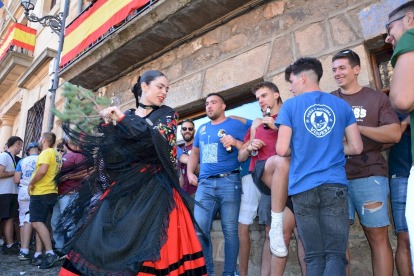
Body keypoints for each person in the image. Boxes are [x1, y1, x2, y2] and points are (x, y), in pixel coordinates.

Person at [58, 70, 206, 276]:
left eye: (167, 89)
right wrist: (108, 127)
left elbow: (156, 141)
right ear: (144, 86)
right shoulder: (126, 116)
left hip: (156, 190)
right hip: (125, 189)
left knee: (152, 246)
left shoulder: (167, 114)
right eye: (160, 87)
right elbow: (113, 156)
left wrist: (121, 120)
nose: (164, 92)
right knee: (105, 241)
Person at [276, 57, 363, 276]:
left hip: (302, 189)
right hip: (334, 185)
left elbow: (281, 149)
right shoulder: (341, 105)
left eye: (292, 81)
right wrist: (332, 146)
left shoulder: (290, 105)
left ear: (303, 78)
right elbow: (356, 147)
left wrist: (303, 146)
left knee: (313, 255)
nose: (290, 87)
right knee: (335, 254)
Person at [331, 49, 400, 275]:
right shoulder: (329, 101)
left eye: (342, 68)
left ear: (356, 69)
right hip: (335, 177)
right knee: (337, 240)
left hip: (370, 175)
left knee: (377, 236)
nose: (337, 73)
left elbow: (393, 134)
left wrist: (355, 128)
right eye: (334, 69)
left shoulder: (376, 97)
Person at [237, 81, 305, 276]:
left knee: (302, 237)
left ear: (276, 95)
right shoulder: (257, 123)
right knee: (271, 234)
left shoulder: (291, 116)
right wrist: (249, 147)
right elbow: (240, 156)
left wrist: (277, 128)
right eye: (258, 98)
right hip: (268, 180)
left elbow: (306, 144)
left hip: (297, 181)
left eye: (264, 95)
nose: (260, 101)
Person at [187, 93, 249, 276]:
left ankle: (229, 273)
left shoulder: (235, 125)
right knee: (200, 231)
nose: (209, 106)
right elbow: (195, 154)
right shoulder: (202, 128)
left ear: (223, 106)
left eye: (213, 102)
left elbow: (252, 139)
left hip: (230, 181)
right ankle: (208, 273)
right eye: (206, 103)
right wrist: (190, 172)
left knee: (230, 231)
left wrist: (237, 142)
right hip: (204, 185)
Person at [386, 2, 414, 273]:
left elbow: (402, 100)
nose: (387, 36)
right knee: (405, 237)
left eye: (389, 27)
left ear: (409, 18)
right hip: (402, 165)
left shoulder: (411, 36)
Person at [27, 132, 62, 268]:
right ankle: (39, 254)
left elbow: (42, 171)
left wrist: (31, 183)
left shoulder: (46, 153)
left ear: (44, 140)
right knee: (42, 223)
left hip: (41, 191)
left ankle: (49, 252)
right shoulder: (57, 155)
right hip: (51, 191)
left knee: (36, 222)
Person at [51, 139, 87, 258]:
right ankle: (60, 248)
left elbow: (86, 173)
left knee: (69, 223)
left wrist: (69, 177)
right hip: (58, 193)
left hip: (70, 192)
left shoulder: (78, 155)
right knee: (55, 223)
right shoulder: (62, 155)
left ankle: (71, 251)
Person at [389, 114, 413, 275]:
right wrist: (405, 122)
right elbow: (385, 141)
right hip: (402, 174)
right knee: (405, 237)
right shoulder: (395, 104)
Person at [13, 142, 39, 261]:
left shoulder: (21, 161)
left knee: (23, 220)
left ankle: (24, 249)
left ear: (28, 151)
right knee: (36, 220)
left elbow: (16, 179)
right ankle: (34, 250)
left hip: (23, 192)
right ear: (39, 151)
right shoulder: (42, 159)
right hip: (37, 191)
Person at [0, 136, 23, 255]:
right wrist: (15, 173)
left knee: (10, 218)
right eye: (21, 145)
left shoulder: (13, 158)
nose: (21, 149)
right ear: (17, 144)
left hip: (12, 192)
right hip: (4, 192)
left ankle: (9, 244)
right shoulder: (4, 156)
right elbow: (0, 173)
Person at [178, 119, 198, 197]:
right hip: (185, 195)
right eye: (184, 129)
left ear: (194, 131)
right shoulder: (181, 150)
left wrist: (188, 160)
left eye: (190, 129)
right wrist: (178, 193)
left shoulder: (198, 146)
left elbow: (204, 168)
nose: (187, 131)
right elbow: (181, 175)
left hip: (198, 191)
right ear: (181, 132)